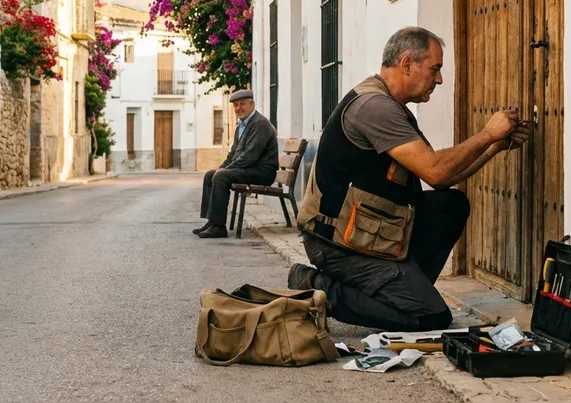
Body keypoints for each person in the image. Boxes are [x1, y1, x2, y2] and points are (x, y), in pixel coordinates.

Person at [287, 27, 531, 331]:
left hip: (369, 232)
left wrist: (495, 146)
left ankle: (406, 292)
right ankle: (319, 287)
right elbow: (436, 170)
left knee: (449, 205)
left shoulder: (392, 106)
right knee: (431, 317)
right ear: (407, 64)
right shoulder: (374, 107)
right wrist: (486, 134)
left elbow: (441, 180)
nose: (439, 79)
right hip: (337, 243)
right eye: (435, 69)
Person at [193, 90, 279, 239]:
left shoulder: (259, 124)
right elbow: (233, 154)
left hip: (262, 172)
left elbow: (250, 156)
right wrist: (222, 167)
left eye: (242, 104)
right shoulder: (242, 126)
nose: (238, 108)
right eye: (236, 105)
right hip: (249, 169)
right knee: (210, 175)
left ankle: (219, 227)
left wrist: (225, 171)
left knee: (221, 176)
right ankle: (212, 221)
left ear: (252, 104)